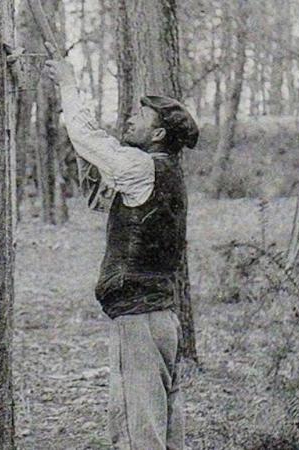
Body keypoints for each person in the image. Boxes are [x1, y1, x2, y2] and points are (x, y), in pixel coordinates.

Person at [45, 48, 198, 450]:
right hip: (159, 316)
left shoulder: (141, 167)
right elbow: (97, 188)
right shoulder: (161, 173)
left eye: (141, 116)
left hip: (140, 317)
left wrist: (68, 83)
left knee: (138, 430)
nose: (130, 118)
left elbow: (88, 139)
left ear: (159, 134)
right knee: (163, 425)